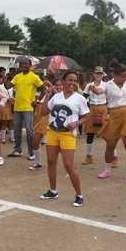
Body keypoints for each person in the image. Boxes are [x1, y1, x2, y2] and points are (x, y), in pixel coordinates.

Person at [40, 71, 90, 207]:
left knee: (68, 165)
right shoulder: (56, 97)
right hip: (52, 132)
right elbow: (44, 111)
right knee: (51, 162)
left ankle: (79, 195)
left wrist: (76, 123)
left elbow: (86, 116)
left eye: (75, 81)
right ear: (63, 81)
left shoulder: (79, 99)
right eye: (70, 80)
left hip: (68, 134)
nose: (72, 83)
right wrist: (47, 95)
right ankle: (53, 190)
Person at [97, 62, 126, 184]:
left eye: (125, 75)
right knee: (110, 145)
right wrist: (94, 88)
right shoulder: (108, 85)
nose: (124, 78)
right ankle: (107, 170)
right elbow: (99, 90)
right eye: (122, 76)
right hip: (114, 115)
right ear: (114, 75)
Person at [8, 57, 43, 159]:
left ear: (30, 65)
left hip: (28, 107)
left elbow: (43, 89)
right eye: (21, 64)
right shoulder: (17, 76)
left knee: (29, 130)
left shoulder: (34, 76)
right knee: (17, 130)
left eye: (26, 64)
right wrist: (10, 75)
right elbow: (8, 86)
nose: (23, 66)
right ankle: (17, 150)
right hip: (17, 107)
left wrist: (37, 100)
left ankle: (32, 152)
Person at [82, 67, 107, 165]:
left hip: (103, 108)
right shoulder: (89, 85)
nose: (98, 75)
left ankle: (114, 157)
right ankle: (89, 156)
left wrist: (92, 89)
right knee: (90, 133)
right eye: (97, 73)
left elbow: (99, 91)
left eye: (100, 74)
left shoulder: (106, 85)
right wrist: (86, 107)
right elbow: (84, 97)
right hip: (92, 108)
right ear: (94, 74)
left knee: (107, 133)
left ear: (102, 75)